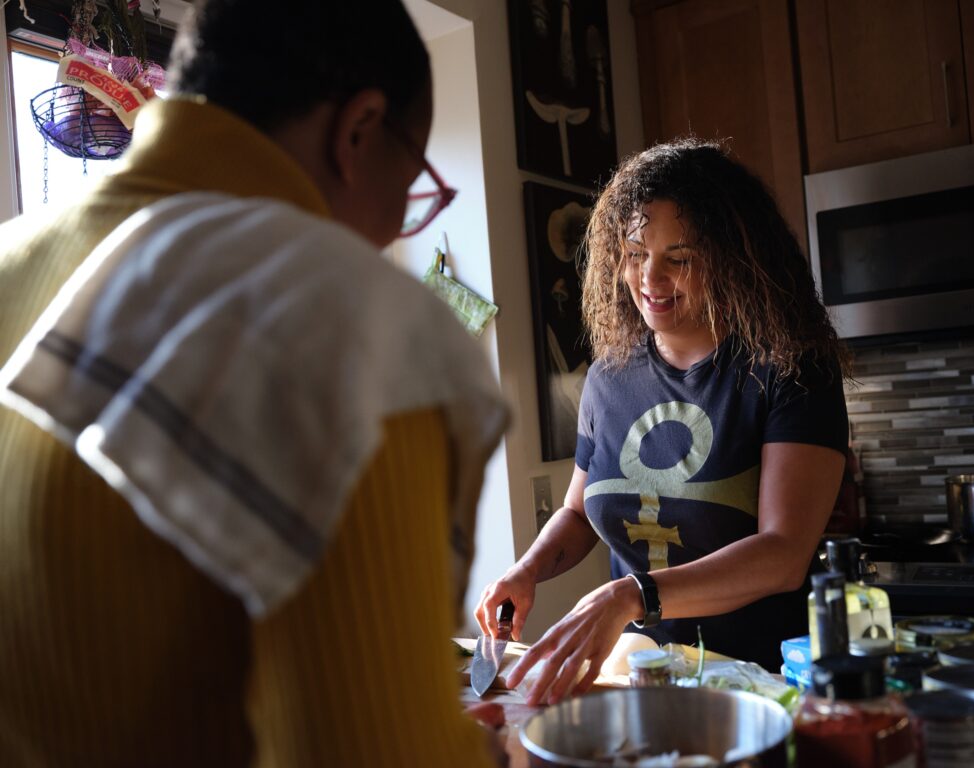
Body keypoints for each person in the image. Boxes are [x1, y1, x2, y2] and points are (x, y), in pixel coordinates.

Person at [0, 1, 507, 765]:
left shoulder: (13, 255)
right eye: (409, 191)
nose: (391, 230)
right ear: (359, 131)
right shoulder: (339, 318)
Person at [476, 139, 850, 706]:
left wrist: (630, 596)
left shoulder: (792, 370)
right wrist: (526, 570)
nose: (649, 277)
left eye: (680, 258)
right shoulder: (608, 377)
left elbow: (783, 552)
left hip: (762, 686)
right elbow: (580, 511)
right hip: (641, 679)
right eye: (634, 252)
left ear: (733, 260)